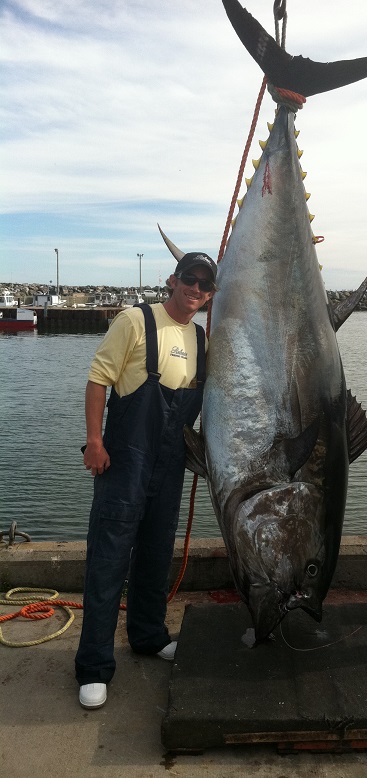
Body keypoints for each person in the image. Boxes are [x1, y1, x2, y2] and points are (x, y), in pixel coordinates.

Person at [75, 251, 217, 709]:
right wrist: (94, 442)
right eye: (189, 279)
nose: (195, 289)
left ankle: (149, 636)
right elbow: (98, 380)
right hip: (125, 462)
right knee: (109, 561)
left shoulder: (202, 339)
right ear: (173, 280)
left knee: (157, 553)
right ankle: (94, 666)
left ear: (212, 295)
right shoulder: (135, 321)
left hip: (170, 465)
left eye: (205, 285)